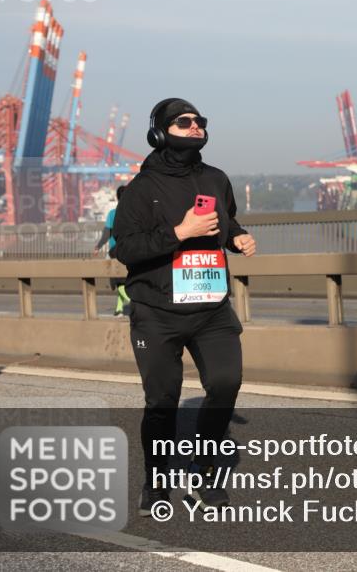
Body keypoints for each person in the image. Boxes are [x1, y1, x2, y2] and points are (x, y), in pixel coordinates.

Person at [112, 98, 257, 515]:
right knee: (162, 402)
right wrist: (180, 231)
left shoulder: (216, 178)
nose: (195, 127)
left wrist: (238, 238)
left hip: (211, 310)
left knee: (226, 384)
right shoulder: (141, 190)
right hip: (156, 313)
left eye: (199, 121)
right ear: (159, 132)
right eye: (183, 122)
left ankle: (204, 473)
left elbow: (228, 222)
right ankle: (156, 483)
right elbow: (127, 249)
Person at [93, 185, 131, 316]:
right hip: (132, 250)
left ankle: (132, 302)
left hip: (115, 252)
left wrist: (98, 246)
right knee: (125, 279)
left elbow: (106, 234)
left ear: (117, 197)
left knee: (117, 280)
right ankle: (119, 309)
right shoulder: (134, 213)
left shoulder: (113, 214)